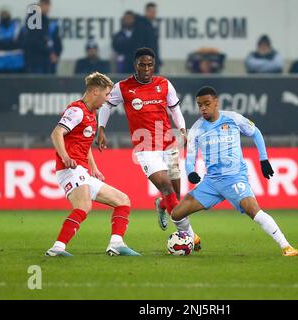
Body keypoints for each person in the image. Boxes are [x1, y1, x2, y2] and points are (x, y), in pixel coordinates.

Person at [170, 86, 298, 257]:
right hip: (211, 182)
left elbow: (256, 133)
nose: (203, 108)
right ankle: (192, 238)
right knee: (177, 214)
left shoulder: (232, 118)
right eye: (199, 105)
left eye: (207, 104)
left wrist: (264, 159)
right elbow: (190, 157)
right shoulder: (196, 129)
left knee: (253, 210)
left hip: (234, 177)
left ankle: (286, 246)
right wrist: (191, 172)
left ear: (216, 103)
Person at [97, 48, 200, 249]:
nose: (146, 69)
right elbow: (107, 106)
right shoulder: (123, 87)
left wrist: (182, 130)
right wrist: (101, 129)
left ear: (154, 65)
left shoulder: (164, 84)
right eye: (142, 65)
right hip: (145, 148)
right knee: (166, 187)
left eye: (150, 65)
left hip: (168, 143)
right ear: (135, 65)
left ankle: (162, 204)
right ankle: (189, 235)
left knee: (174, 197)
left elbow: (174, 109)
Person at [45, 72, 140, 257]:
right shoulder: (77, 110)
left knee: (122, 201)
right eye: (106, 94)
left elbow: (85, 143)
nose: (107, 99)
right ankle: (57, 248)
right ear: (95, 91)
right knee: (84, 206)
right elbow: (56, 133)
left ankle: (117, 244)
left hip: (82, 171)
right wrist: (65, 156)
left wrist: (94, 168)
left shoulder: (91, 113)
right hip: (69, 169)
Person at [24, 0, 62, 74]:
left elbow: (57, 41)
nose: (47, 8)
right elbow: (34, 40)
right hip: (36, 60)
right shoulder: (33, 19)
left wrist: (56, 54)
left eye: (48, 5)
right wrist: (49, 53)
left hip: (49, 61)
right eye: (45, 5)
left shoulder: (48, 21)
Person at [0, 7, 25, 74]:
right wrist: (11, 43)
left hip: (15, 65)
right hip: (0, 65)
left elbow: (21, 43)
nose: (4, 16)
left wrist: (3, 44)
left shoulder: (18, 27)